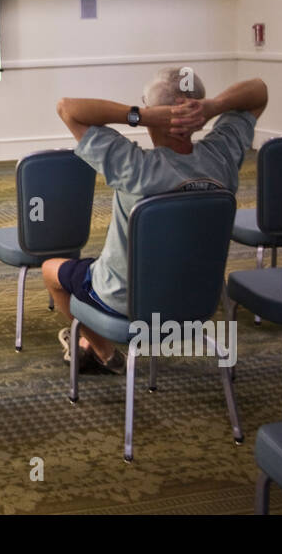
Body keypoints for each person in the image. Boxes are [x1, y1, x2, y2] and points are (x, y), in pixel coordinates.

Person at [43, 69, 268, 371]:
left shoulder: (134, 167)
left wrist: (142, 116)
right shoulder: (222, 157)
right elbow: (258, 90)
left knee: (50, 270)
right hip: (197, 298)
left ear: (154, 111)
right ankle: (91, 345)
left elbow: (67, 108)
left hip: (126, 302)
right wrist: (212, 107)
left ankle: (104, 352)